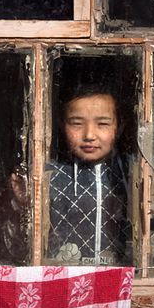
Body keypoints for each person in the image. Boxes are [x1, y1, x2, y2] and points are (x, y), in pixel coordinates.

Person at [44, 86, 133, 266]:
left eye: (103, 124)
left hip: (121, 280)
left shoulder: (132, 173)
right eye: (77, 123)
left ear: (120, 126)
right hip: (62, 278)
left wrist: (153, 203)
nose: (89, 135)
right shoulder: (49, 174)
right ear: (62, 124)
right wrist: (22, 203)